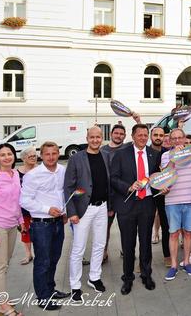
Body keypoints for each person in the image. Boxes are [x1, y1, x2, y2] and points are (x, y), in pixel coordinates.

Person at [109, 124, 161, 295]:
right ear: (132, 136)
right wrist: (128, 187)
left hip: (146, 203)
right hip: (127, 204)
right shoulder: (120, 154)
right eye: (140, 135)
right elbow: (113, 178)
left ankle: (146, 275)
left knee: (146, 242)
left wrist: (162, 186)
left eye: (146, 135)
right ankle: (128, 278)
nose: (143, 138)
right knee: (128, 243)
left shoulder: (154, 154)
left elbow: (157, 177)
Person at [64, 126, 112, 302]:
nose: (95, 140)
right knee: (78, 249)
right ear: (87, 138)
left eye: (98, 137)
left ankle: (94, 277)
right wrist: (72, 212)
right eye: (92, 137)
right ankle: (75, 285)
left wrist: (110, 205)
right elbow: (68, 187)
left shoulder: (106, 155)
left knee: (100, 244)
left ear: (101, 138)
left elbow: (108, 182)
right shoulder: (76, 158)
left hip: (102, 207)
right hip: (83, 209)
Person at [20, 141, 70, 311]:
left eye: (54, 153)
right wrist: (47, 209)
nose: (51, 157)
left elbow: (64, 193)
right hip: (41, 225)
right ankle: (43, 297)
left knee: (54, 258)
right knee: (43, 261)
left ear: (58, 154)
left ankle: (50, 289)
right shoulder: (33, 175)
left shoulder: (63, 171)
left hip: (58, 223)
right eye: (47, 154)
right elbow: (24, 200)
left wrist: (64, 212)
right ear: (41, 155)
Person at [0, 144, 25, 316]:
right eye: (2, 155)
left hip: (11, 225)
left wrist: (21, 220)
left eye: (9, 154)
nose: (7, 157)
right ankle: (3, 306)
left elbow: (17, 201)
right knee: (0, 267)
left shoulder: (15, 174)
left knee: (5, 263)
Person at [160, 129, 191, 281]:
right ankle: (173, 265)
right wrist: (174, 158)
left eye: (180, 138)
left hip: (190, 199)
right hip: (172, 201)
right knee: (173, 233)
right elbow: (165, 175)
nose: (177, 141)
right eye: (174, 139)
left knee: (189, 232)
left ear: (185, 139)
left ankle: (187, 262)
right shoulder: (165, 155)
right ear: (170, 141)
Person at [147, 126, 171, 267]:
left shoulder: (166, 153)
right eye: (155, 134)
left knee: (166, 225)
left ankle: (167, 255)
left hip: (163, 194)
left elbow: (170, 174)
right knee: (145, 227)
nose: (158, 137)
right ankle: (145, 259)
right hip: (147, 195)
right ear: (151, 136)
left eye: (161, 135)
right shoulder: (144, 152)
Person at [102, 123, 126, 263]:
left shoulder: (128, 148)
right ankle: (103, 252)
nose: (118, 136)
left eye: (121, 134)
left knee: (126, 226)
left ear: (125, 136)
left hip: (124, 195)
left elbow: (143, 138)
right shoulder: (102, 150)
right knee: (105, 227)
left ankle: (126, 249)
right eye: (116, 133)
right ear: (111, 134)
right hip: (107, 196)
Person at [17, 146, 36, 265]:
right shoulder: (17, 173)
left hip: (38, 208)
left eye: (35, 155)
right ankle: (28, 254)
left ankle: (40, 254)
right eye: (31, 156)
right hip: (23, 209)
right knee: (25, 232)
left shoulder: (40, 170)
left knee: (39, 232)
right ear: (24, 158)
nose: (34, 158)